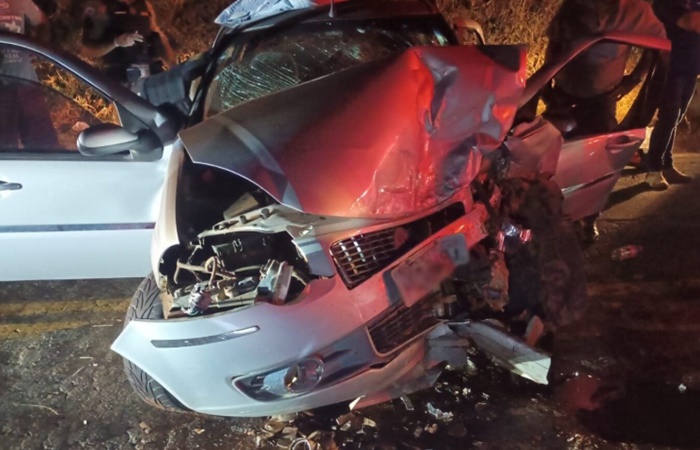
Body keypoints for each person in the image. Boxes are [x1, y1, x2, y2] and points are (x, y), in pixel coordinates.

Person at [543, 0, 666, 243]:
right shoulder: (574, 5)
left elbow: (659, 44)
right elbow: (554, 43)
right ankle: (558, 218)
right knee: (557, 161)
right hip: (564, 94)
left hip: (601, 98)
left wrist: (634, 78)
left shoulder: (633, 9)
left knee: (598, 165)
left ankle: (588, 220)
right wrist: (546, 85)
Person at [645, 0, 700, 190]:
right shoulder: (667, 3)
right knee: (668, 117)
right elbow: (692, 22)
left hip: (690, 68)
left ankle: (666, 164)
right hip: (670, 67)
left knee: (676, 117)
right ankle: (653, 169)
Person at [0, 0, 59, 150]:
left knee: (46, 145)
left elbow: (42, 22)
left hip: (27, 84)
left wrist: (38, 46)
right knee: (5, 148)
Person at [80, 0, 175, 86]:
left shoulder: (144, 5)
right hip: (123, 81)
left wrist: (174, 67)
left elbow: (157, 34)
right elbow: (86, 50)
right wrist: (116, 42)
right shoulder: (99, 7)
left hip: (152, 75)